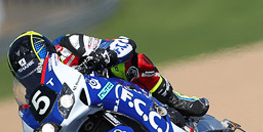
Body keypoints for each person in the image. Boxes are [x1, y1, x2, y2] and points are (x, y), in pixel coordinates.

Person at [52, 33, 209, 117]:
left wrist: (107, 55)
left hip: (110, 86)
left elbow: (123, 43)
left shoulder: (68, 44)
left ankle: (174, 99)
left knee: (133, 63)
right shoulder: (38, 89)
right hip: (83, 111)